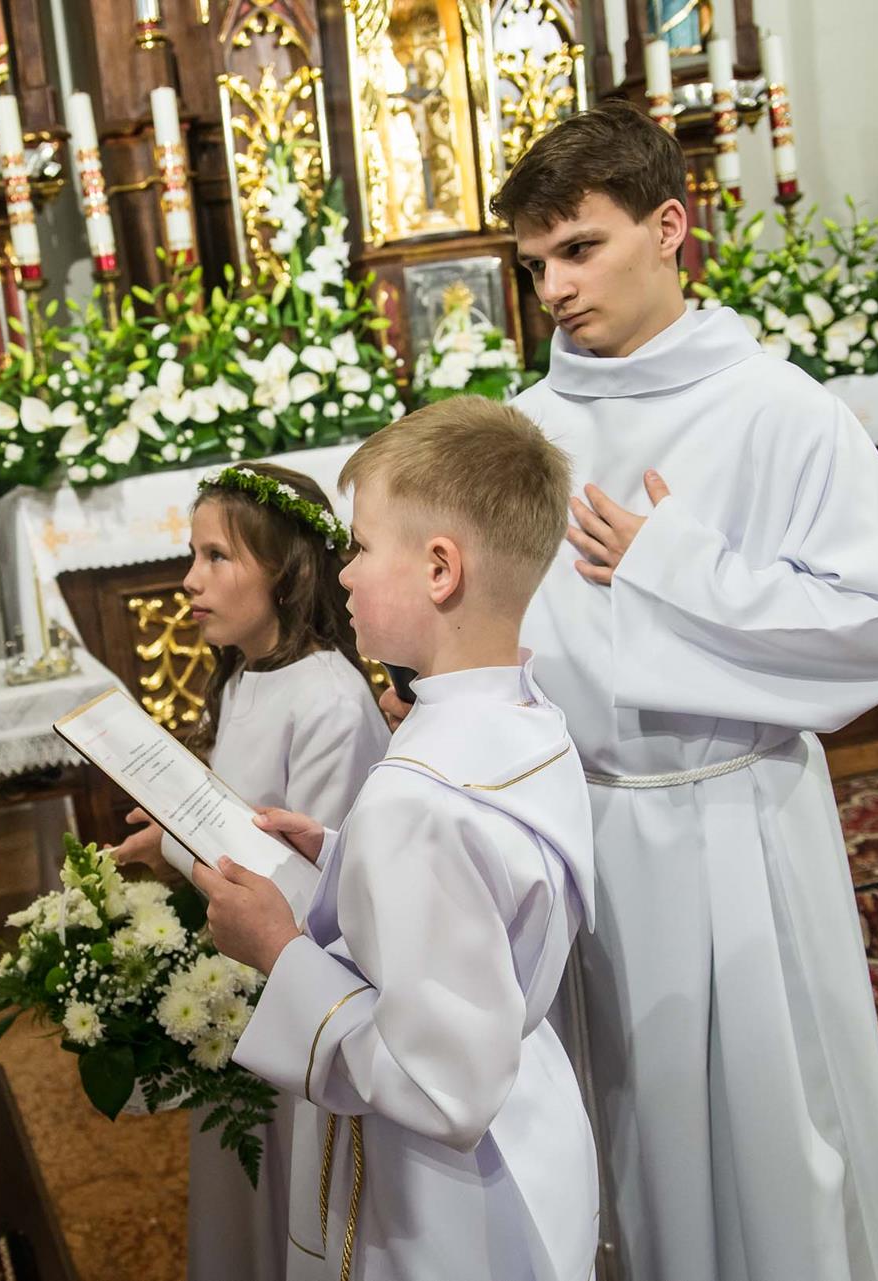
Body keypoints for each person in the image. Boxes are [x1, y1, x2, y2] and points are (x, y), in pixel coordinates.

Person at [378, 101, 878, 1281]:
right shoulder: (525, 432)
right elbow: (501, 633)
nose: (552, 288)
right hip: (573, 829)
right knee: (618, 1136)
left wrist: (676, 564)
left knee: (763, 1140)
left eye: (578, 249)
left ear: (669, 228)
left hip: (729, 823)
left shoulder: (778, 410)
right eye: (533, 264)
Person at [198, 401, 600, 1281]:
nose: (341, 572)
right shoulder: (524, 715)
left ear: (439, 569)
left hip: (436, 1202)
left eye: (360, 546)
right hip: (528, 1115)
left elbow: (434, 1081)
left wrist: (276, 948)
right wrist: (340, 853)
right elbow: (486, 898)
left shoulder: (416, 801)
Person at [107, 461, 391, 1281]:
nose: (188, 580)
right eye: (191, 554)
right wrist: (166, 832)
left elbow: (308, 887)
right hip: (241, 979)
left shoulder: (328, 700)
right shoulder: (246, 674)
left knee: (292, 1196)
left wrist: (175, 847)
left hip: (297, 989)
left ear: (285, 571)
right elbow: (232, 816)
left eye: (215, 556)